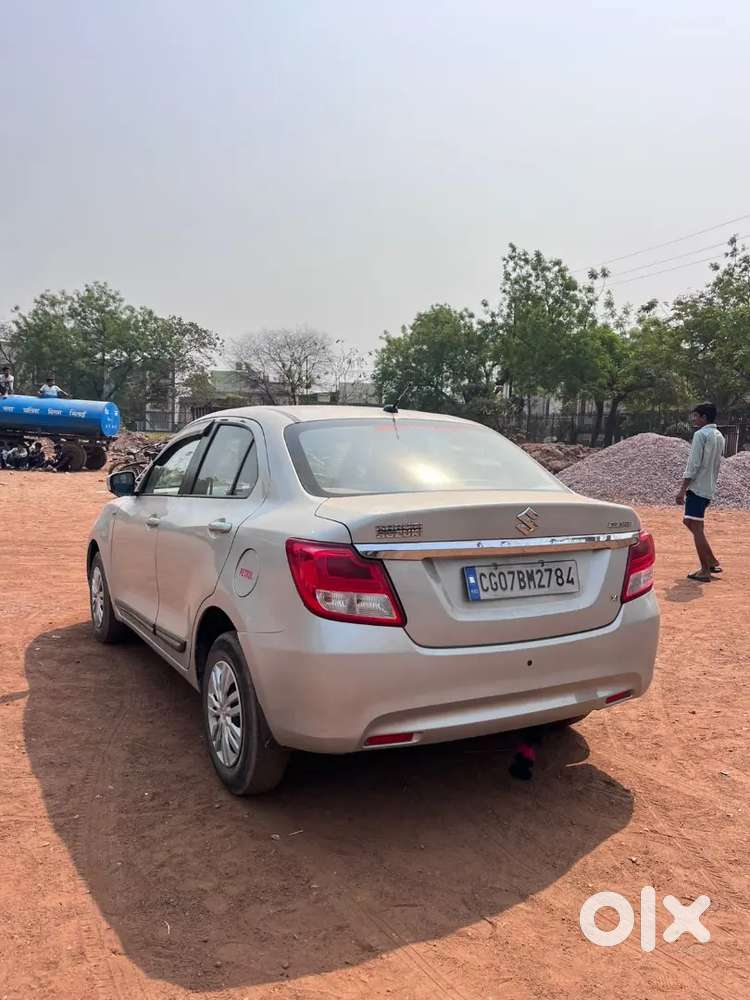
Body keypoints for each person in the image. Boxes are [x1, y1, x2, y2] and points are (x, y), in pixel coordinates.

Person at [676, 403, 725, 583]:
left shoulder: (700, 435)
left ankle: (705, 569)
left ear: (704, 417)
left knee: (696, 527)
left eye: (696, 416)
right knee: (688, 521)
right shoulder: (719, 436)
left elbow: (694, 464)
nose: (693, 419)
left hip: (697, 487)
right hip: (708, 486)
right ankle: (711, 560)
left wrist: (682, 489)